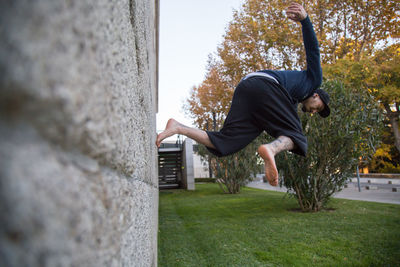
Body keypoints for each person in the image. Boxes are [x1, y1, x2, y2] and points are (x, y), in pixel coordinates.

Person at [156, 2, 331, 186]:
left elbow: (279, 110)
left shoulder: (290, 101)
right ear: (317, 96)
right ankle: (271, 150)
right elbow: (313, 52)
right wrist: (305, 20)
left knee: (225, 143)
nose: (313, 112)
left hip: (248, 89)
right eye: (317, 109)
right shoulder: (313, 80)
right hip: (266, 86)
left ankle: (178, 127)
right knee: (299, 138)